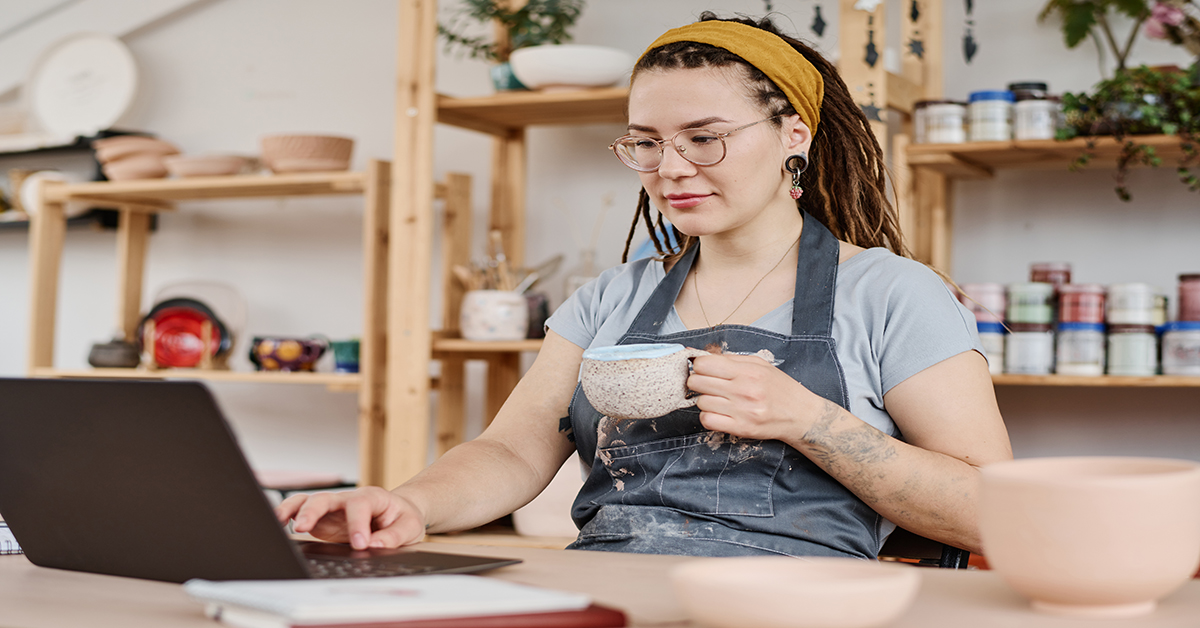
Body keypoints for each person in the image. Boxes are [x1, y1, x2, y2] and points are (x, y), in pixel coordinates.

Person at [277, 12, 1012, 559]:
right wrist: (405, 503)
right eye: (647, 143)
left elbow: (992, 513)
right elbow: (510, 453)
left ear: (794, 135)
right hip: (613, 590)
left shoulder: (891, 294)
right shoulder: (610, 299)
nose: (672, 169)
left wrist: (812, 421)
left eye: (703, 136)